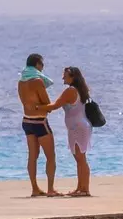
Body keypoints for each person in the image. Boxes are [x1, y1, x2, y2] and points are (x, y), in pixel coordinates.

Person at [43, 66, 95, 196]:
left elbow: (55, 105)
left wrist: (37, 107)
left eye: (65, 76)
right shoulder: (78, 90)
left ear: (72, 77)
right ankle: (80, 188)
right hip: (77, 127)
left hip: (79, 127)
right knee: (79, 158)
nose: (62, 78)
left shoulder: (71, 91)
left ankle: (85, 189)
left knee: (81, 158)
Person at [18, 54, 58, 197]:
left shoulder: (21, 82)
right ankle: (50, 189)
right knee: (50, 156)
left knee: (32, 156)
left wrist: (34, 107)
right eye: (42, 65)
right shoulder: (37, 81)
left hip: (27, 120)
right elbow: (47, 104)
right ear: (37, 65)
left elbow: (26, 103)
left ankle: (35, 188)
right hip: (40, 121)